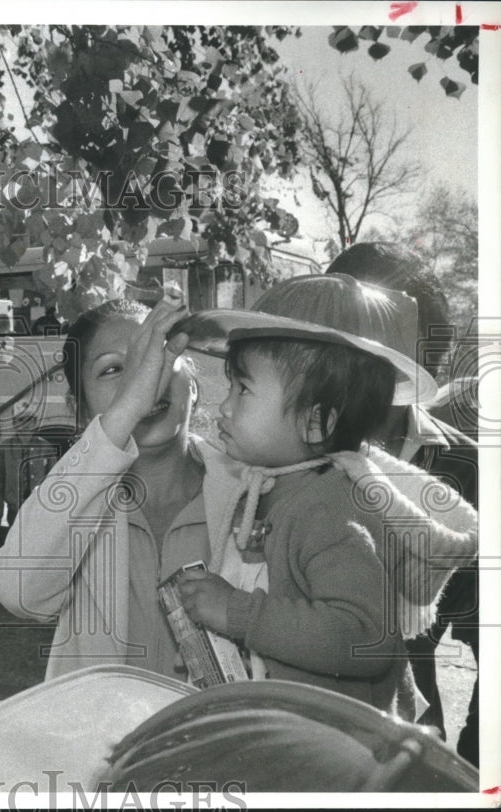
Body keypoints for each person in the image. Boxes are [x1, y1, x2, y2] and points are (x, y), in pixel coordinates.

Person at [174, 274, 476, 717]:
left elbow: (363, 636)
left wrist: (236, 612)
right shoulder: (274, 488)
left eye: (243, 389)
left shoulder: (331, 507)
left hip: (337, 751)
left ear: (318, 423)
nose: (224, 406)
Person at [0, 298, 219, 680]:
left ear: (191, 382)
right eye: (114, 370)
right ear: (81, 409)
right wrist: (127, 409)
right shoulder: (76, 506)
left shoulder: (250, 495)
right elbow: (16, 590)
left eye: (158, 355)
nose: (147, 377)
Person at [327, 242, 480, 764]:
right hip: (288, 737)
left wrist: (477, 761)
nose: (367, 351)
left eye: (388, 332)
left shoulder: (467, 470)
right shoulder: (276, 451)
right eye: (349, 329)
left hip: (408, 754)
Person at [0, 408, 63, 526]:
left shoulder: (46, 448)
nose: (25, 425)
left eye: (30, 420)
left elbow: (53, 482)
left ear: (36, 423)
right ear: (14, 423)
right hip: (14, 512)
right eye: (20, 420)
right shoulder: (6, 448)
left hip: (38, 512)